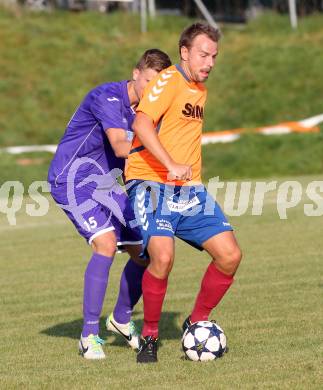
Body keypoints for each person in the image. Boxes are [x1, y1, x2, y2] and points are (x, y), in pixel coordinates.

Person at [125, 23, 242, 363]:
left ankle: (197, 320)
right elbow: (141, 124)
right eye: (203, 54)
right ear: (185, 53)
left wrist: (184, 171)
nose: (210, 63)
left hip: (188, 190)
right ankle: (149, 336)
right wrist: (170, 163)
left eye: (214, 56)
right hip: (149, 182)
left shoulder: (199, 89)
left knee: (230, 256)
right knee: (162, 257)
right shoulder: (169, 80)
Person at [47, 49, 171, 360]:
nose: (152, 91)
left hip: (106, 184)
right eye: (149, 82)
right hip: (73, 180)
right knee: (105, 243)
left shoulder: (150, 111)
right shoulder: (107, 97)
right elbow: (120, 144)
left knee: (146, 250)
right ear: (135, 74)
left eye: (159, 87)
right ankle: (89, 335)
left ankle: (122, 319)